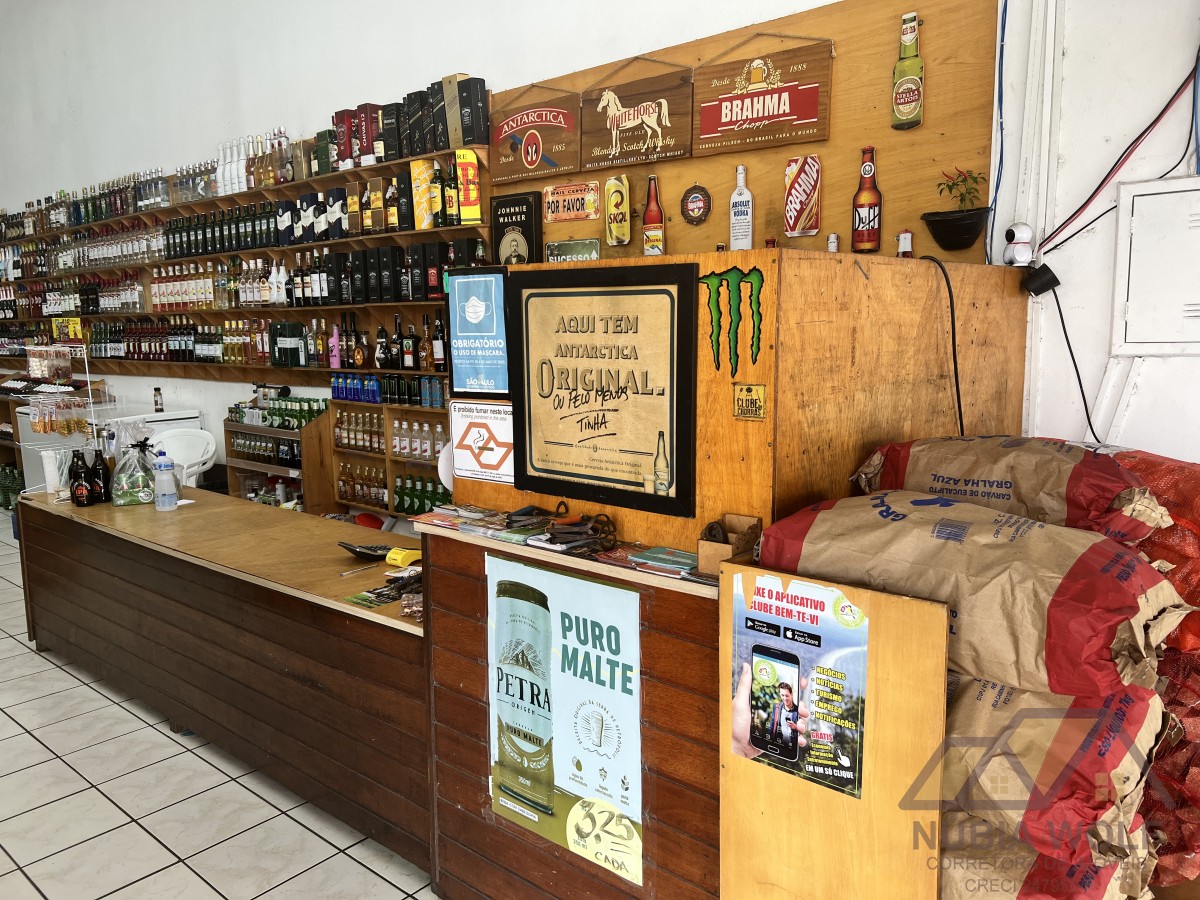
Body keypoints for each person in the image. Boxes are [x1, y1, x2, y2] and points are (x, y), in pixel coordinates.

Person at [732, 662, 809, 759]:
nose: (784, 698)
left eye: (786, 695)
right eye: (782, 695)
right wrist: (737, 746)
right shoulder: (777, 707)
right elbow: (773, 723)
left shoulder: (794, 709)